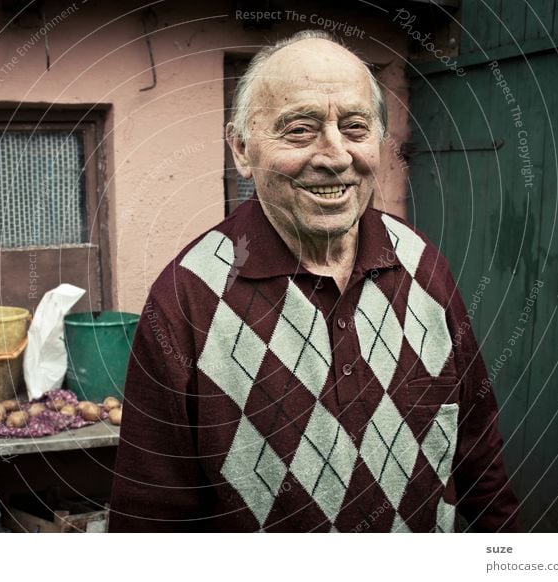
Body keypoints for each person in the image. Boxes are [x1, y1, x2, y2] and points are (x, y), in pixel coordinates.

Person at [109, 30, 521, 532]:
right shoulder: (186, 298)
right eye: (300, 130)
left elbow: (479, 461)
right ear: (241, 148)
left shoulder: (423, 265)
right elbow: (153, 521)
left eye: (355, 127)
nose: (335, 156)